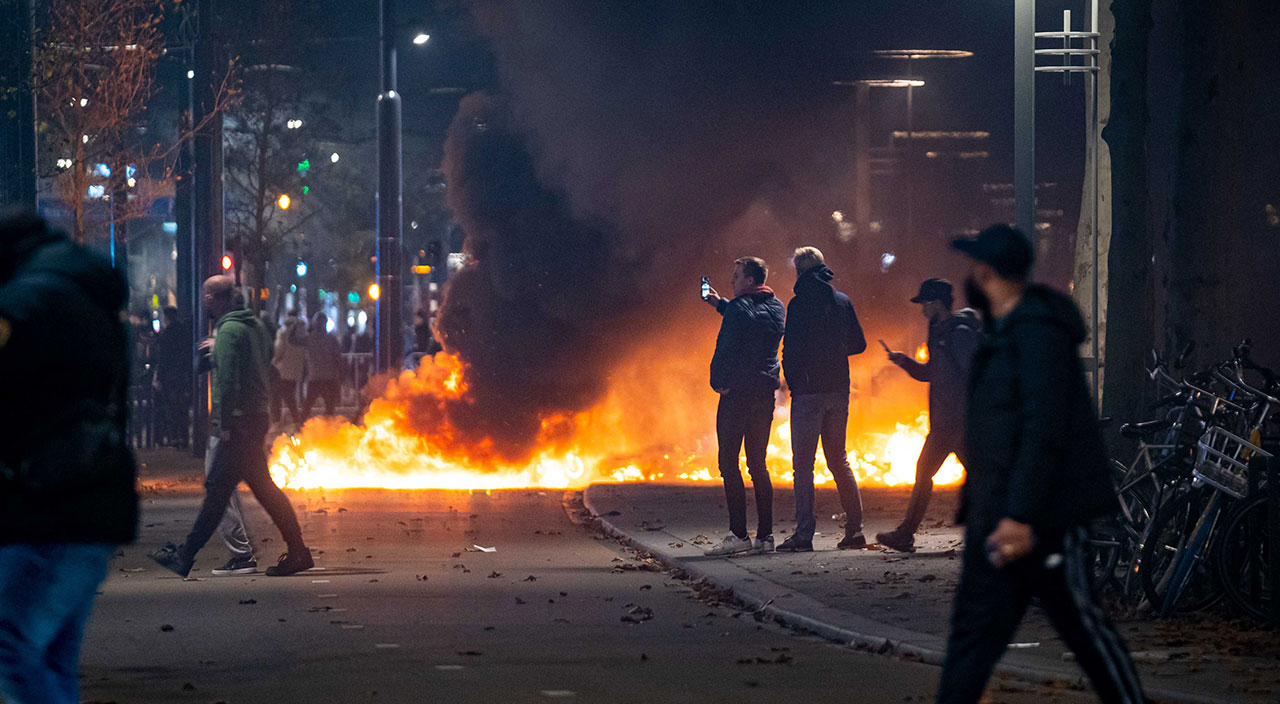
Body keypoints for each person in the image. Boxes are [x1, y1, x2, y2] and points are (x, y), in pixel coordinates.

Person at [937, 225, 1143, 704]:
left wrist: (1021, 516)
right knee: (971, 639)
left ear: (985, 272)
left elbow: (1043, 429)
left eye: (973, 268)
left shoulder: (1037, 333)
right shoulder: (1005, 332)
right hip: (997, 518)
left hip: (1040, 521)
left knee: (1086, 632)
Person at [0, 212, 138, 703]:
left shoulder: (25, 302)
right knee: (50, 655)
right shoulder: (85, 299)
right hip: (92, 497)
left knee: (11, 647)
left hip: (46, 502)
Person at [151, 275, 314, 578]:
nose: (204, 302)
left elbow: (226, 382)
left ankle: (189, 556)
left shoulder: (227, 333)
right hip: (256, 417)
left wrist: (223, 423)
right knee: (257, 491)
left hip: (237, 422)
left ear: (214, 298)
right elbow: (265, 362)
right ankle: (297, 551)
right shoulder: (255, 327)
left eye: (206, 297)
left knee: (219, 492)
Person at [876, 279, 980, 552]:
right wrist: (904, 362)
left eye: (923, 302)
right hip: (950, 420)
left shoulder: (958, 333)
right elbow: (931, 373)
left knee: (925, 472)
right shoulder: (940, 330)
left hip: (956, 421)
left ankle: (906, 534)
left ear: (935, 303)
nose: (921, 308)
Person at [778, 247, 867, 552]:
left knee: (804, 466)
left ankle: (804, 535)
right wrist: (834, 350)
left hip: (809, 393)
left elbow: (789, 350)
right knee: (839, 460)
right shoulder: (841, 301)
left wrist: (796, 383)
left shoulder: (798, 304)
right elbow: (860, 343)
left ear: (800, 272)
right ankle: (855, 532)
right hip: (838, 391)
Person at [702, 257, 785, 557]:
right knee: (758, 464)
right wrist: (721, 304)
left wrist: (717, 382)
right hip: (764, 396)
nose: (732, 281)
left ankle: (738, 534)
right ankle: (766, 536)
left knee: (728, 462)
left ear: (749, 280)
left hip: (736, 395)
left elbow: (725, 347)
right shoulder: (777, 307)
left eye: (736, 276)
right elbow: (752, 322)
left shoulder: (739, 309)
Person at [152, 306, 193, 448]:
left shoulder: (167, 334)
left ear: (166, 317)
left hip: (170, 377)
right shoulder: (184, 332)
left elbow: (163, 358)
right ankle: (184, 438)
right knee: (182, 409)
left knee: (171, 408)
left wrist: (158, 377)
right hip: (183, 376)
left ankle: (174, 438)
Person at [302, 312, 344, 419]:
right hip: (329, 377)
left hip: (314, 376)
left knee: (307, 406)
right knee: (330, 407)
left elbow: (294, 341)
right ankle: (328, 428)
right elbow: (338, 357)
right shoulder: (331, 339)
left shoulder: (309, 338)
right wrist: (342, 374)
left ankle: (300, 426)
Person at [270, 308, 307, 427]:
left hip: (282, 370)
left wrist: (273, 360)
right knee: (289, 396)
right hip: (296, 371)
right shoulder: (303, 333)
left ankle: (278, 422)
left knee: (276, 397)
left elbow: (278, 351)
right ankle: (296, 422)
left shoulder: (283, 332)